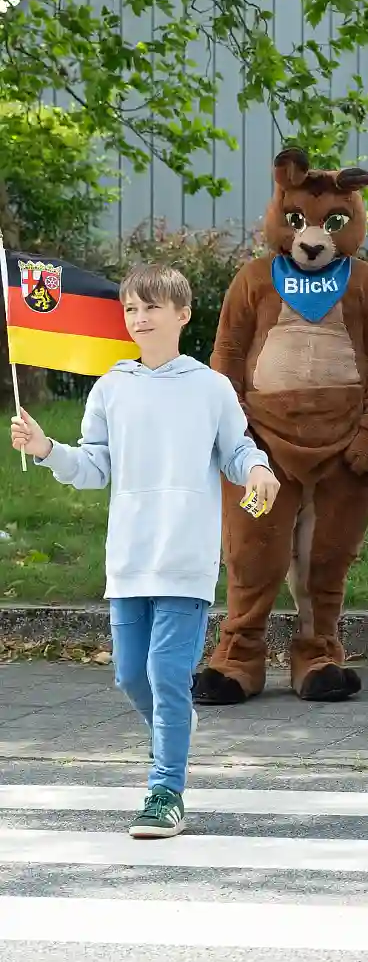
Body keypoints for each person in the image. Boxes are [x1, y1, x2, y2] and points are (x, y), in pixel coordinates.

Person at [9, 264, 279, 838]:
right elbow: (92, 467)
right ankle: (174, 730)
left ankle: (165, 791)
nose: (140, 318)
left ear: (183, 315)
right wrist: (47, 447)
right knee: (131, 675)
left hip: (186, 556)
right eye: (132, 308)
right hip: (129, 556)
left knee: (164, 672)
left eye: (152, 307)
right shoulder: (111, 387)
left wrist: (257, 469)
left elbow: (237, 449)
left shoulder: (211, 386)